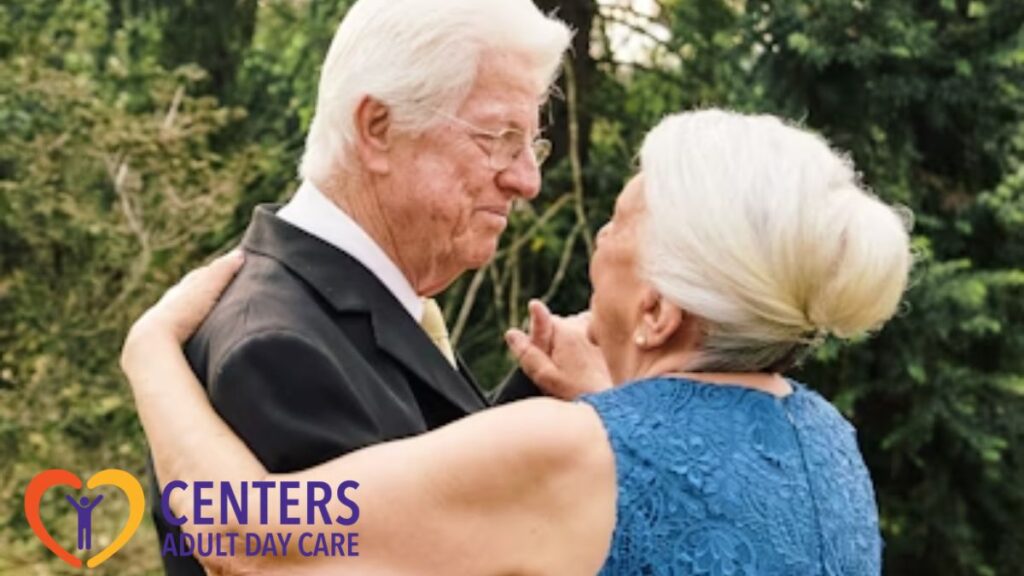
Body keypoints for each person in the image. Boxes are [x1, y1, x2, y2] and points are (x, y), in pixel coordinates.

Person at [123, 109, 912, 574]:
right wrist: (618, 405)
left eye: (616, 226)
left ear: (658, 312)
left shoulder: (569, 452)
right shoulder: (824, 439)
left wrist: (152, 350)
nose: (598, 240)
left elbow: (250, 536)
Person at [149, 0, 574, 573]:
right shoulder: (279, 352)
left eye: (531, 145)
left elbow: (422, 505)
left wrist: (545, 400)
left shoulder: (358, 303)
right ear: (378, 128)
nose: (527, 180)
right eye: (499, 138)